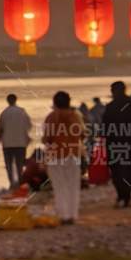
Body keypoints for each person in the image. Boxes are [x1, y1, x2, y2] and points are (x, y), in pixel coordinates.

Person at [42, 92, 85, 225]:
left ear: (54, 102)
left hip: (56, 155)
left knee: (60, 186)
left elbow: (47, 139)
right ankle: (72, 215)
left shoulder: (51, 117)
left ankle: (64, 215)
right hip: (73, 154)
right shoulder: (76, 116)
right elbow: (82, 135)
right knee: (73, 185)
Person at [101, 82, 131, 207]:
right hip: (130, 143)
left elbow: (104, 127)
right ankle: (126, 196)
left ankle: (121, 195)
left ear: (114, 91)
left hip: (114, 144)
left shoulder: (110, 107)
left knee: (116, 170)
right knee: (128, 170)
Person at [0, 94, 32, 189]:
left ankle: (12, 183)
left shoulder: (4, 113)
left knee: (9, 165)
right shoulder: (22, 112)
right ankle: (20, 182)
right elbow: (29, 126)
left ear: (7, 101)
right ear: (16, 100)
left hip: (7, 144)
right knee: (20, 164)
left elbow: (0, 129)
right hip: (20, 143)